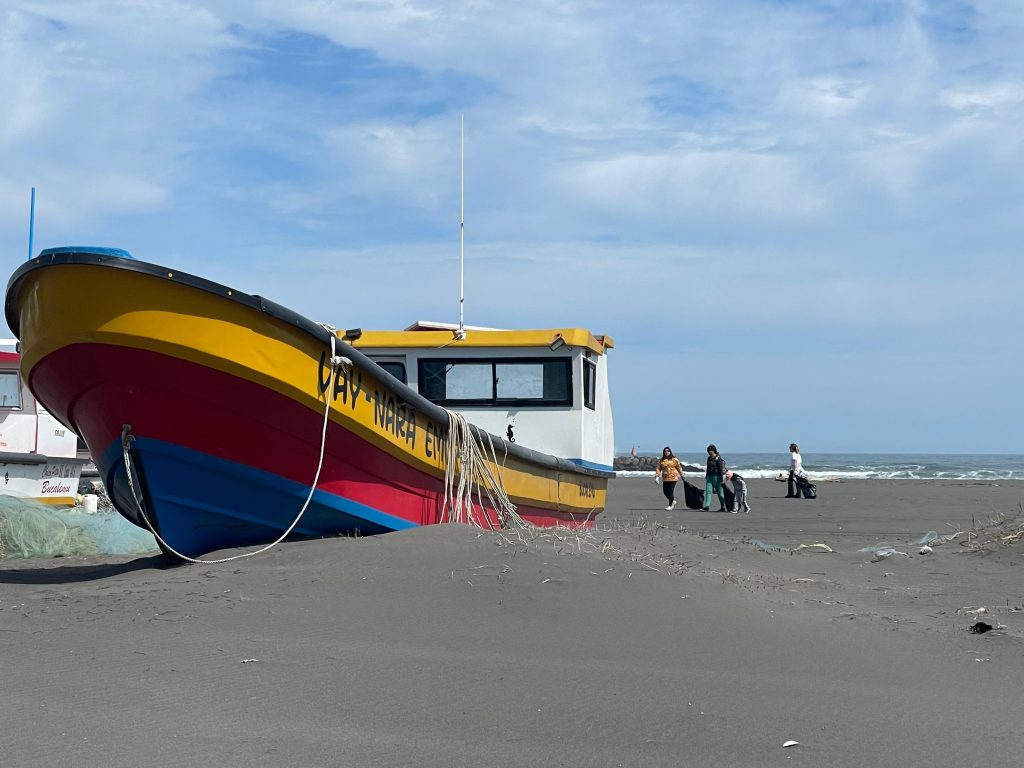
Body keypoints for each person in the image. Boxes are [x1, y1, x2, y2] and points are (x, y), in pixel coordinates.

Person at [702, 444, 727, 512]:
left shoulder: (718, 458)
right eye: (708, 451)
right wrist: (707, 476)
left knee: (719, 493)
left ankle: (723, 507)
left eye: (709, 451)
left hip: (717, 477)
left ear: (713, 450)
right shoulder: (709, 458)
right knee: (708, 492)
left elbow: (721, 470)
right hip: (709, 477)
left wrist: (721, 480)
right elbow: (708, 467)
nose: (708, 452)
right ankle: (707, 506)